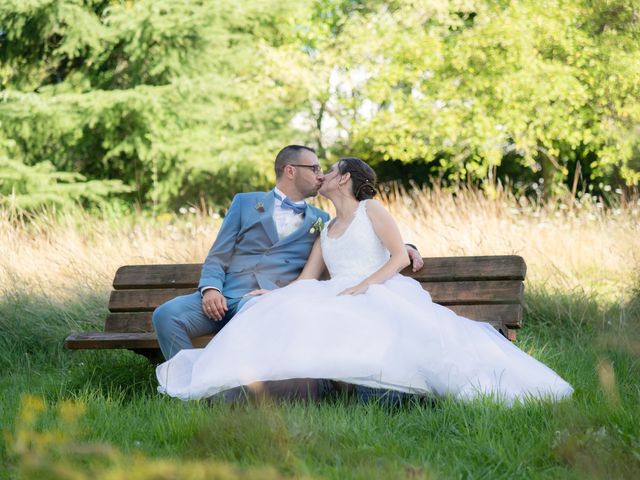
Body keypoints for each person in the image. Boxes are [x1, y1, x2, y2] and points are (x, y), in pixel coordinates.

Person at [156, 157, 574, 405]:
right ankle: (257, 391)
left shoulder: (373, 209)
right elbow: (306, 278)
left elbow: (396, 254)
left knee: (381, 326)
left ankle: (390, 394)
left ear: (345, 179)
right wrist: (273, 294)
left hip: (378, 288)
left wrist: (370, 282)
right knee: (282, 311)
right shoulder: (324, 227)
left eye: (330, 170)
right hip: (340, 292)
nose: (322, 176)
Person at [152, 146, 423, 361]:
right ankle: (186, 382)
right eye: (314, 168)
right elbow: (218, 255)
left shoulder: (321, 220)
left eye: (323, 169)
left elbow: (351, 242)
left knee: (255, 315)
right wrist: (211, 289)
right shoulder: (246, 203)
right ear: (290, 170)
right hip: (227, 295)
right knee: (166, 315)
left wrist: (404, 249)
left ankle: (234, 389)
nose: (320, 175)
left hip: (267, 301)